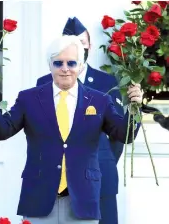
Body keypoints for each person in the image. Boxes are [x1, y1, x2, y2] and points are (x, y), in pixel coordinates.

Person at [0, 35, 143, 224]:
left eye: (71, 63)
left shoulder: (99, 100)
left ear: (80, 66)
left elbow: (124, 134)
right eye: (58, 63)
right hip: (38, 199)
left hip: (83, 200)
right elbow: (2, 131)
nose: (65, 68)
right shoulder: (29, 98)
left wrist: (134, 109)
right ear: (50, 65)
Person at [37, 17, 124, 224]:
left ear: (89, 47)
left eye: (82, 44)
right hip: (57, 181)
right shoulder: (44, 83)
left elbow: (118, 134)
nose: (76, 49)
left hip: (100, 174)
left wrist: (103, 159)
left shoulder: (107, 81)